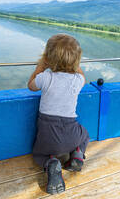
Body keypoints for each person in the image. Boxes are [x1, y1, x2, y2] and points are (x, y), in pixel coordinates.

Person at [28, 34, 89, 195]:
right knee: (85, 134)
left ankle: (50, 162)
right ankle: (77, 153)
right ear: (76, 61)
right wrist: (74, 64)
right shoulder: (77, 80)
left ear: (48, 58)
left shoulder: (45, 77)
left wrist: (41, 66)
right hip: (72, 135)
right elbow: (82, 75)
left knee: (38, 154)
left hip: (48, 136)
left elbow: (31, 86)